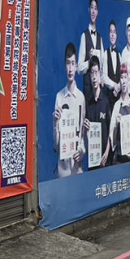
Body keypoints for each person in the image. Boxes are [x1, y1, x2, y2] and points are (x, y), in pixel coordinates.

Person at [53, 42, 85, 177]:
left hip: (77, 169)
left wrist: (82, 151)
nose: (70, 68)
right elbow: (55, 146)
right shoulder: (59, 98)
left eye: (73, 63)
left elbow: (82, 135)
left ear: (77, 66)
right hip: (63, 169)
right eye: (68, 63)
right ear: (64, 66)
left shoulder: (81, 98)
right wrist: (55, 123)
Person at [82, 56, 112, 170]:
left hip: (106, 159)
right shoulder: (88, 103)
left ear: (100, 74)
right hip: (93, 159)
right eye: (92, 73)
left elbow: (111, 130)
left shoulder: (105, 101)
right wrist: (86, 128)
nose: (94, 77)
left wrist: (107, 151)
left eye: (96, 73)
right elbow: (87, 133)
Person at [109, 64, 130, 165]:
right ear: (119, 81)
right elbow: (112, 136)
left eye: (126, 77)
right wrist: (116, 125)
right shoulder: (117, 106)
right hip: (119, 160)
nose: (124, 81)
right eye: (122, 77)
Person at [78, 0, 103, 72]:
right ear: (88, 9)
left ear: (97, 12)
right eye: (92, 8)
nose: (93, 11)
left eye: (95, 8)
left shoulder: (100, 38)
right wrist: (89, 62)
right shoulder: (84, 36)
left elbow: (102, 66)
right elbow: (79, 68)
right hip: (88, 83)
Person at [103, 19, 122, 97]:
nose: (112, 35)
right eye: (111, 32)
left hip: (118, 96)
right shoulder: (105, 54)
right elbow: (104, 77)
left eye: (114, 32)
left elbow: (122, 77)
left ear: (116, 35)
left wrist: (118, 88)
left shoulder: (119, 56)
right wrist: (114, 85)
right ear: (108, 34)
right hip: (108, 97)